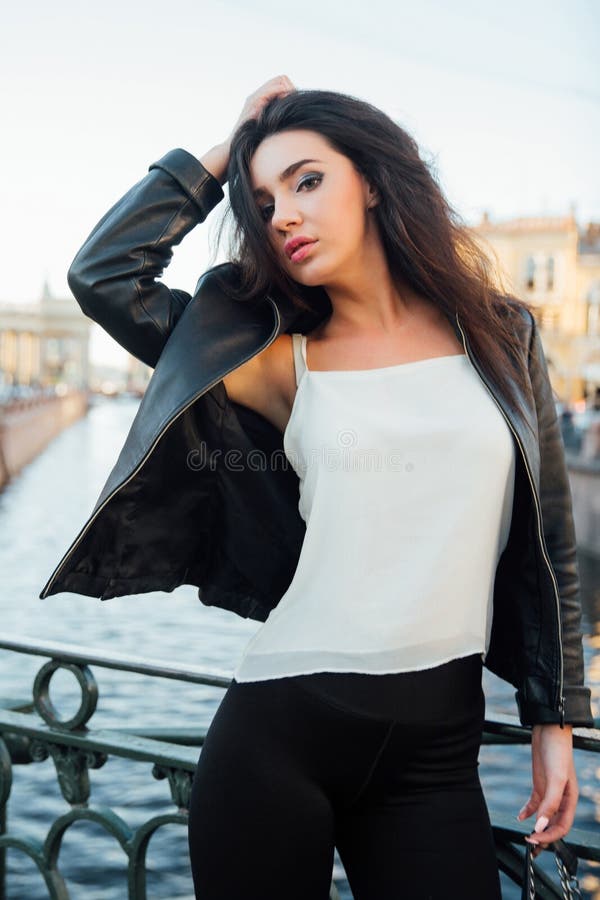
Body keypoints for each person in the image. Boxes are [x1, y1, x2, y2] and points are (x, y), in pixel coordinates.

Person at [41, 76, 594, 899]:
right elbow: (105, 275)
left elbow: (548, 532)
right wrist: (229, 148)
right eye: (262, 202)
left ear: (371, 179)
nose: (284, 215)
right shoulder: (275, 358)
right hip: (279, 741)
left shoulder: (501, 332)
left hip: (438, 760)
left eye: (307, 180)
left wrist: (555, 715)